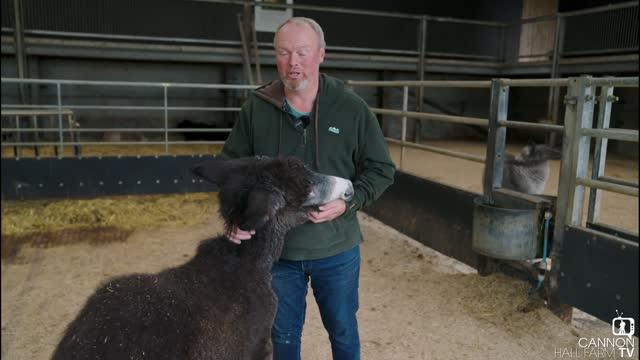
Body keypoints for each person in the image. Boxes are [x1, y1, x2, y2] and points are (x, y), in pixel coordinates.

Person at [222, 17, 395, 360]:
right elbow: (232, 169)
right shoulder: (256, 109)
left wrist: (350, 201)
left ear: (320, 55)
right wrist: (234, 217)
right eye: (284, 53)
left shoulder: (351, 108)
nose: (293, 62)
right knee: (282, 336)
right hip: (276, 251)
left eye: (302, 52)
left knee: (343, 331)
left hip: (336, 248)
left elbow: (381, 169)